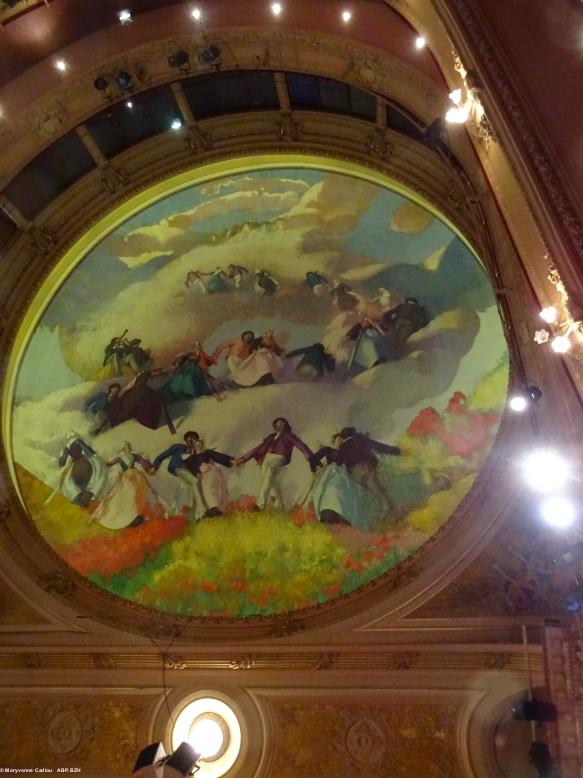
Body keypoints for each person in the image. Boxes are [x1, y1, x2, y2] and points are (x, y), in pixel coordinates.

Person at [235, 418, 313, 511]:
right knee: (272, 482)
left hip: (279, 457)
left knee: (269, 471)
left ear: (284, 423)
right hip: (266, 458)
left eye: (280, 422)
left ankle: (260, 504)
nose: (278, 424)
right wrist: (243, 459)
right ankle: (280, 507)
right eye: (276, 423)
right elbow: (258, 448)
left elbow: (300, 445)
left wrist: (311, 458)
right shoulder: (271, 437)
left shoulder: (288, 435)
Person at [308, 434, 381, 529]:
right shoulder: (327, 450)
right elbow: (313, 459)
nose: (339, 442)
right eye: (338, 440)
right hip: (330, 472)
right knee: (321, 488)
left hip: (342, 472)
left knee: (352, 488)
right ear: (333, 441)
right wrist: (316, 469)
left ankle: (347, 513)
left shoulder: (346, 452)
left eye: (341, 440)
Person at [90, 442, 166, 529]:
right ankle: (128, 517)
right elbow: (108, 464)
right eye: (125, 447)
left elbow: (143, 462)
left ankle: (141, 515)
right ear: (123, 449)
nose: (127, 448)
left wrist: (148, 467)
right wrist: (98, 460)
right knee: (121, 496)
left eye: (128, 446)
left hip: (135, 477)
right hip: (125, 478)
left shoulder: (134, 456)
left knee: (139, 495)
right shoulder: (120, 458)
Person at [335, 427, 400, 512]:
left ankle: (384, 508)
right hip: (366, 465)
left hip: (355, 472)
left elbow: (338, 462)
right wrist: (397, 451)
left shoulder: (342, 447)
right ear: (353, 432)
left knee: (368, 491)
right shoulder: (360, 439)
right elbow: (378, 446)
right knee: (376, 487)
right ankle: (387, 507)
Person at [94, 370, 176, 435]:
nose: (115, 389)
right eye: (113, 388)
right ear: (110, 389)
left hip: (141, 399)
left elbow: (129, 389)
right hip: (117, 409)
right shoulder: (106, 397)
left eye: (116, 388)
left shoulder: (143, 381)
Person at [150, 431, 207, 519]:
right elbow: (162, 456)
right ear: (185, 440)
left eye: (194, 439)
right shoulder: (178, 447)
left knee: (186, 486)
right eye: (189, 439)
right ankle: (202, 510)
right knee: (195, 482)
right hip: (177, 467)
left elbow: (196, 465)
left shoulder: (195, 453)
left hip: (188, 471)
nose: (191, 441)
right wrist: (155, 466)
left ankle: (173, 511)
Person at [182, 438, 234, 517]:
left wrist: (231, 461)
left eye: (200, 444)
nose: (198, 446)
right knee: (208, 490)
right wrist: (197, 473)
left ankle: (221, 509)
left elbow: (219, 457)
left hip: (214, 472)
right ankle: (214, 508)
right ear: (194, 447)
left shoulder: (208, 452)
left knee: (221, 489)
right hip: (204, 474)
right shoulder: (192, 458)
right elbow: (191, 467)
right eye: (196, 444)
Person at [56, 431, 108, 507]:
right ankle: (89, 496)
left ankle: (84, 497)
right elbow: (91, 453)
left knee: (68, 483)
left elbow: (61, 463)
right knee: (99, 467)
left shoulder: (67, 447)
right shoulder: (78, 441)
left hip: (78, 465)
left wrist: (66, 453)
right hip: (82, 463)